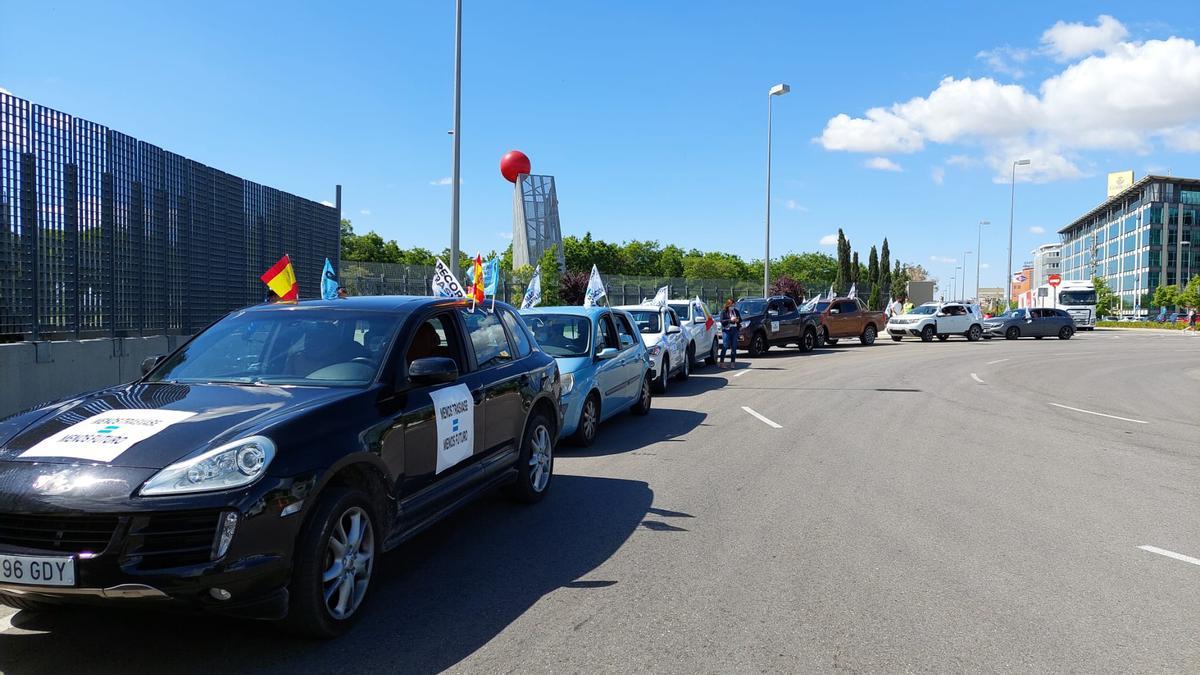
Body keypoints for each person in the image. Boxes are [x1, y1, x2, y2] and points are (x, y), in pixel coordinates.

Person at [717, 298, 741, 368]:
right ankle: (721, 362)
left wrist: (737, 320)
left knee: (734, 346)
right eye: (731, 305)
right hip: (726, 330)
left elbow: (740, 319)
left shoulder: (736, 311)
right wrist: (730, 320)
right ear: (728, 305)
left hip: (734, 330)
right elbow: (722, 321)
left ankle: (732, 362)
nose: (732, 307)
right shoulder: (724, 311)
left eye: (733, 305)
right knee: (725, 345)